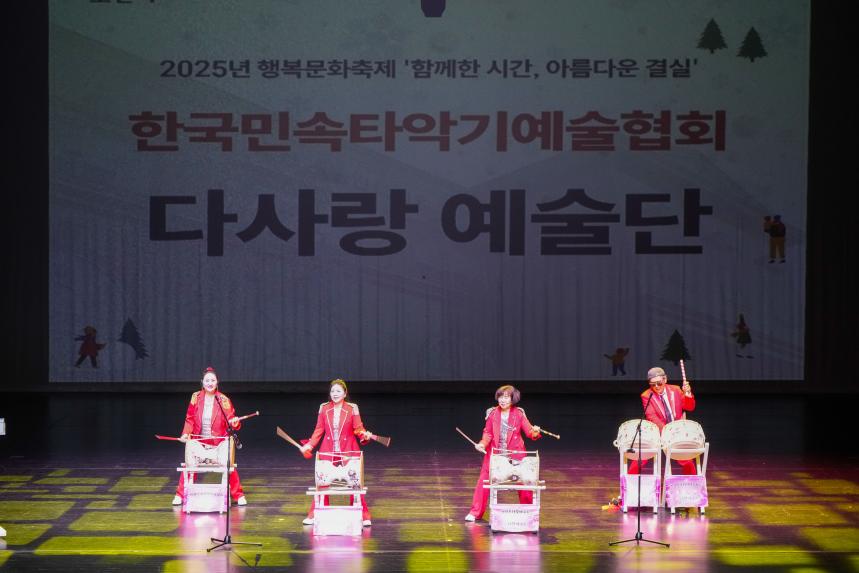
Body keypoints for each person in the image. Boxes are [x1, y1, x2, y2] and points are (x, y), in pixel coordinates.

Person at [299, 378, 374, 527]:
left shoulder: (352, 408)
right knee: (322, 482)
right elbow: (319, 429)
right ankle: (315, 514)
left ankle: (363, 514)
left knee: (355, 483)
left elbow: (358, 429)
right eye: (332, 391)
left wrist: (364, 435)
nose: (335, 393)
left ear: (345, 393)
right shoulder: (324, 408)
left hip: (348, 449)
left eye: (338, 391)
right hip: (328, 449)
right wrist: (309, 445)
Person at [464, 385, 541, 522]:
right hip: (495, 455)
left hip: (516, 455)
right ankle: (475, 512)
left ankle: (528, 511)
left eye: (506, 397)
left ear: (512, 399)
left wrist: (535, 431)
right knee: (483, 481)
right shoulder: (492, 413)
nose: (502, 400)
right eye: (500, 396)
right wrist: (482, 444)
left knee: (525, 481)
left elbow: (530, 432)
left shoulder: (519, 413)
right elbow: (488, 433)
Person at [172, 367, 246, 506]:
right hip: (199, 441)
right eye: (207, 380)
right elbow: (190, 418)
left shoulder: (223, 399)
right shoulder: (196, 397)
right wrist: (185, 434)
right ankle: (180, 494)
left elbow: (230, 419)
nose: (210, 383)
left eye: (213, 380)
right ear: (202, 382)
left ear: (217, 382)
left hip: (218, 443)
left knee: (228, 464)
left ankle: (238, 494)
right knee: (189, 462)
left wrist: (235, 422)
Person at [628, 366, 697, 475]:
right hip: (658, 431)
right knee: (642, 454)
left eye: (659, 383)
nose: (656, 386)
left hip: (677, 431)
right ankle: (629, 482)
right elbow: (651, 417)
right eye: (652, 384)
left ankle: (691, 482)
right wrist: (667, 432)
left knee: (685, 457)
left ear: (665, 379)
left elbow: (690, 407)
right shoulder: (646, 395)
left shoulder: (676, 390)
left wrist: (687, 394)